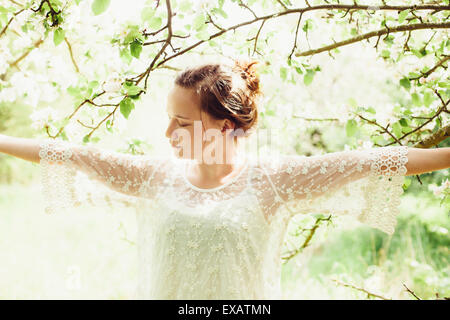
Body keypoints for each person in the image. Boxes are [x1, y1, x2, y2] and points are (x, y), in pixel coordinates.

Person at [0, 58, 449, 299]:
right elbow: (71, 154)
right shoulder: (153, 177)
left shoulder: (274, 181)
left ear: (223, 126)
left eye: (181, 121)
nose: (167, 134)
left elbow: (372, 162)